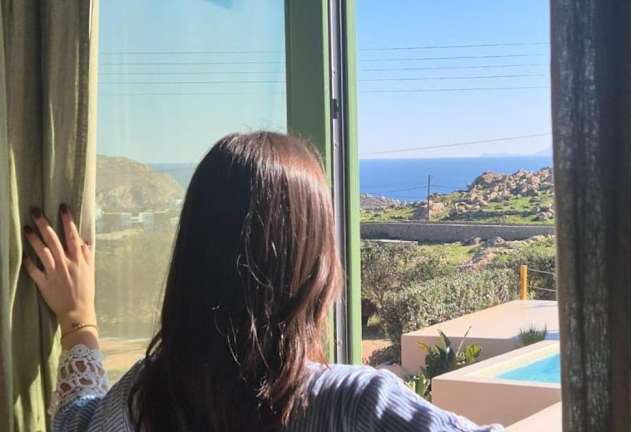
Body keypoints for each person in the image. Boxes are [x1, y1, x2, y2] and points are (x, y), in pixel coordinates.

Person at [23, 132, 502, 432]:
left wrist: (78, 321)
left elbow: (76, 421)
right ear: (316, 270)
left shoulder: (143, 402)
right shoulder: (355, 406)